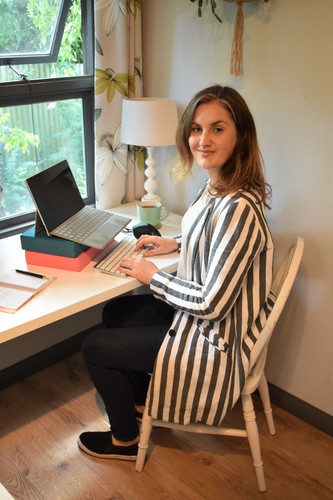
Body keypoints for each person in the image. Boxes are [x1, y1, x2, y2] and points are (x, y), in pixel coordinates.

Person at [78, 84, 275, 461]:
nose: (202, 140)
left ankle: (124, 441)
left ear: (241, 135)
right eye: (196, 129)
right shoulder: (219, 185)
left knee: (94, 348)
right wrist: (176, 244)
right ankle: (137, 401)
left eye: (217, 129)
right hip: (206, 322)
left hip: (215, 341)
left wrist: (153, 276)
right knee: (114, 313)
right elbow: (213, 240)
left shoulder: (238, 208)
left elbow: (212, 304)